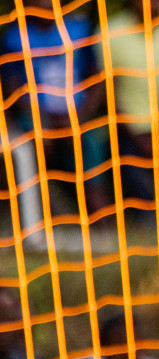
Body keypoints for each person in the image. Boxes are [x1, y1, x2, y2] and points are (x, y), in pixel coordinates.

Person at [0, 6, 110, 216]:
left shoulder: (80, 30)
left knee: (92, 143)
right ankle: (38, 218)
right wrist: (43, 120)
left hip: (77, 116)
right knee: (31, 146)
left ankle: (101, 221)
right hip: (33, 117)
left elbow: (98, 81)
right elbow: (12, 90)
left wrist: (79, 117)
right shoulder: (14, 37)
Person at [106, 0, 159, 204]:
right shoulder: (111, 32)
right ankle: (145, 219)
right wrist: (140, 140)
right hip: (125, 131)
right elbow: (108, 94)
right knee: (128, 166)